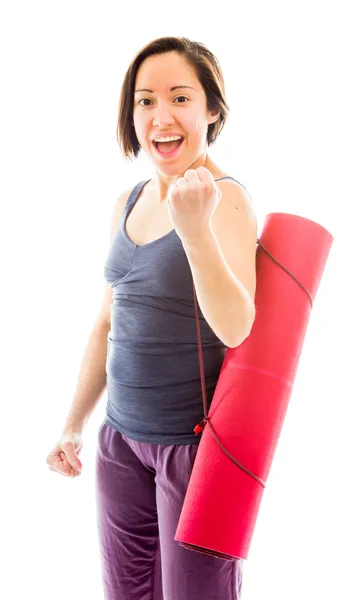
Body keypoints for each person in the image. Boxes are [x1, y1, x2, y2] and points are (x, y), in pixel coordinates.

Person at [46, 36, 258, 600]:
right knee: (126, 593)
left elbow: (237, 327)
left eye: (180, 98)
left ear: (211, 109)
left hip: (192, 451)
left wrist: (194, 231)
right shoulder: (129, 200)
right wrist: (73, 424)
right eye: (145, 101)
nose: (161, 117)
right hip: (120, 441)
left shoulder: (227, 199)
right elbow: (106, 323)